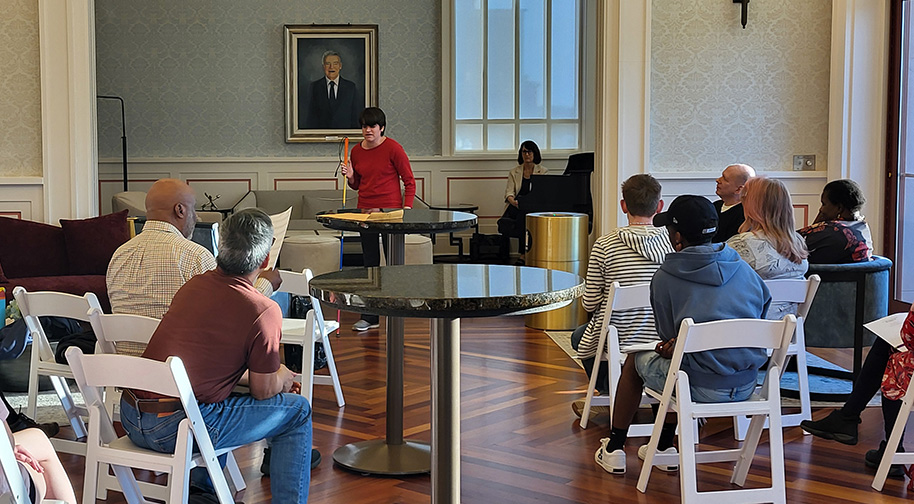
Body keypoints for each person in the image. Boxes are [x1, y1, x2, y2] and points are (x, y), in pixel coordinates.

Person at [106, 179, 310, 477]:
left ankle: (205, 490)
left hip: (131, 403)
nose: (197, 217)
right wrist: (279, 375)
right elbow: (235, 307)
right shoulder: (193, 259)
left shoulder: (118, 255)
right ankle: (231, 476)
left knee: (228, 388)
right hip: (178, 416)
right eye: (195, 210)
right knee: (292, 407)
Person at [594, 195, 771, 474]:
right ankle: (664, 446)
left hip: (698, 386)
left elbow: (667, 337)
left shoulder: (666, 277)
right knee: (681, 364)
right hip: (748, 384)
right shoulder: (746, 271)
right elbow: (762, 315)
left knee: (636, 362)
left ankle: (615, 448)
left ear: (676, 237)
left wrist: (674, 345)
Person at [569, 174, 673, 419]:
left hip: (620, 336)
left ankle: (611, 391)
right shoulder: (672, 242)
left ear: (623, 205)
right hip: (664, 336)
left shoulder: (605, 245)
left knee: (578, 336)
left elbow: (590, 302)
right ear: (660, 206)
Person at [340, 107, 416, 332]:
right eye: (364, 126)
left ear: (381, 127)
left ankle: (396, 310)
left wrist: (406, 209)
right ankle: (370, 316)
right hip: (365, 212)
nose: (367, 130)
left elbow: (409, 181)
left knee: (393, 265)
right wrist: (351, 175)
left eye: (372, 126)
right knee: (370, 266)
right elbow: (356, 184)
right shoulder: (355, 151)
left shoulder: (393, 148)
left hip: (390, 214)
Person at [727, 177, 809, 319]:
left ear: (753, 205)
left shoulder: (741, 243)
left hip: (748, 330)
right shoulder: (797, 241)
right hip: (787, 329)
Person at [0, 406, 76, 503]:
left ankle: (18, 423)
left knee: (37, 438)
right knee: (39, 440)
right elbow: (7, 440)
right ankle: (19, 423)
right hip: (8, 492)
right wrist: (7, 447)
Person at [797, 179, 873, 264]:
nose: (821, 209)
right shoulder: (862, 227)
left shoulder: (833, 231)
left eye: (824, 204)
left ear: (839, 208)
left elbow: (789, 243)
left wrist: (818, 223)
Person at [497, 141, 547, 265]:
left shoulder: (543, 171)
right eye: (524, 151)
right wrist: (513, 201)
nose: (527, 154)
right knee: (522, 214)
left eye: (529, 151)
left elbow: (542, 194)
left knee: (524, 214)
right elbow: (509, 193)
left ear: (535, 153)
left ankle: (525, 254)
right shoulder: (514, 172)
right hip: (516, 205)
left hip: (534, 207)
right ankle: (523, 254)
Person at [301, 50, 363, 129]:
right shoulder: (314, 87)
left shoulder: (351, 87)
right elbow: (311, 117)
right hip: (320, 136)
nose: (331, 67)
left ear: (340, 66)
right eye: (328, 64)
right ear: (324, 67)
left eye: (335, 63)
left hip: (345, 135)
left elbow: (355, 116)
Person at [712, 163, 756, 242]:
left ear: (738, 189)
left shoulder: (744, 215)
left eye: (724, 179)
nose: (718, 180)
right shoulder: (715, 206)